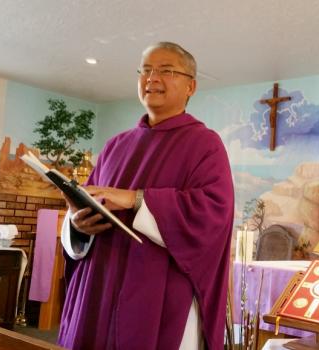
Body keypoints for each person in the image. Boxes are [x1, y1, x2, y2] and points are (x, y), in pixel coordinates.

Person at [57, 42, 234, 350]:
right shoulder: (115, 145)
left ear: (191, 86)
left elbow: (212, 213)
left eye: (166, 70)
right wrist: (77, 225)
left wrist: (136, 199)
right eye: (146, 70)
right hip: (99, 280)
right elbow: (89, 200)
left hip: (159, 290)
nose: (152, 77)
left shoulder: (205, 144)